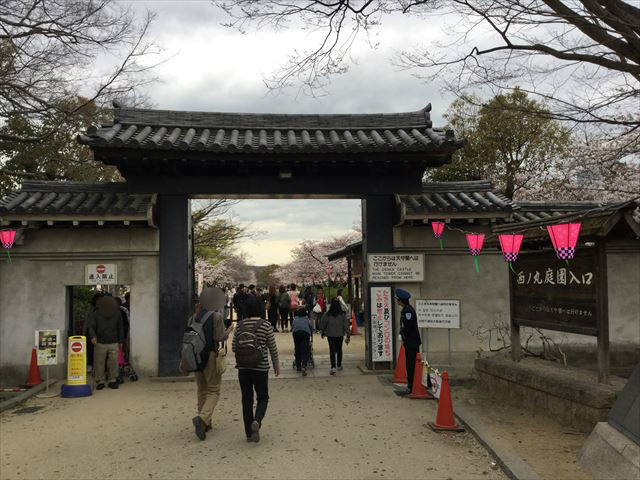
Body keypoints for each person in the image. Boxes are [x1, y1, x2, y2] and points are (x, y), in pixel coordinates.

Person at [232, 295, 279, 443]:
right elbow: (272, 347)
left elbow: (234, 347)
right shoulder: (265, 325)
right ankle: (257, 421)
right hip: (261, 367)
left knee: (246, 399)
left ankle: (248, 433)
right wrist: (276, 364)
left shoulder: (240, 325)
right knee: (263, 397)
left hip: (243, 368)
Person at [190, 288, 233, 441]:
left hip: (194, 356)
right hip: (209, 355)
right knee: (213, 390)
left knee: (201, 389)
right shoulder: (215, 316)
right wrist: (229, 330)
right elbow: (220, 336)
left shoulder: (193, 317)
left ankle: (205, 422)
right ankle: (202, 418)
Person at [85, 295, 124, 390]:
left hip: (113, 341)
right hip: (100, 342)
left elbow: (120, 327)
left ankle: (112, 380)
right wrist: (93, 336)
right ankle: (100, 381)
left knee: (113, 362)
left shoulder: (117, 313)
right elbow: (90, 326)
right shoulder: (96, 313)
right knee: (99, 362)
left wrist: (121, 341)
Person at [396, 288, 421, 396]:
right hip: (410, 342)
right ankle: (412, 385)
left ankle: (411, 386)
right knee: (410, 364)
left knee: (411, 365)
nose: (396, 301)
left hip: (411, 342)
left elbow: (408, 327)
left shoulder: (408, 312)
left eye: (397, 299)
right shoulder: (406, 310)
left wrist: (403, 335)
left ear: (400, 300)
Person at [320, 299, 351, 375]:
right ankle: (339, 364)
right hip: (340, 335)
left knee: (332, 350)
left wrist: (323, 332)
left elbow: (323, 324)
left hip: (330, 335)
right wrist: (348, 334)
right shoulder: (342, 314)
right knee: (339, 349)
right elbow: (346, 325)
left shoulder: (327, 314)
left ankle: (333, 367)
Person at [291, 306, 313, 376]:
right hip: (305, 333)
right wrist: (311, 334)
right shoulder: (306, 319)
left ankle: (298, 366)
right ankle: (304, 365)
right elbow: (310, 327)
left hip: (296, 333)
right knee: (305, 349)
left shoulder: (295, 318)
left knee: (297, 349)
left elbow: (292, 326)